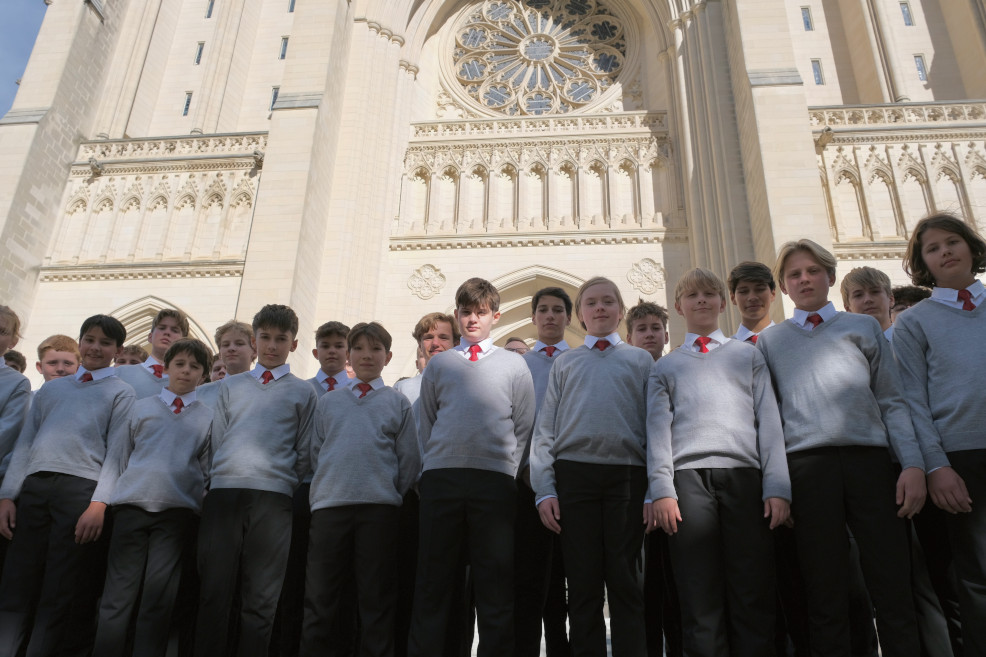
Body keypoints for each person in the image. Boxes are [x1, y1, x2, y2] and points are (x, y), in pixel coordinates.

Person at [757, 239, 925, 657]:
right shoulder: (770, 342)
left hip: (869, 463)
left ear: (830, 277)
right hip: (808, 471)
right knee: (825, 589)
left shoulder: (863, 327)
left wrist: (912, 465)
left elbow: (892, 400)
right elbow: (770, 421)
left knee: (891, 583)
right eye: (794, 274)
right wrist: (777, 485)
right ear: (783, 286)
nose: (805, 279)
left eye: (813, 271)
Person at [649, 268, 790, 656]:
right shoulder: (666, 367)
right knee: (699, 594)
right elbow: (658, 433)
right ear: (679, 307)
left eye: (710, 294)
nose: (701, 301)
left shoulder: (748, 356)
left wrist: (777, 487)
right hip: (688, 482)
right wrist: (661, 489)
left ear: (723, 302)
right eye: (692, 296)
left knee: (752, 589)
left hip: (745, 479)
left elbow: (769, 424)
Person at [409, 278, 535, 657]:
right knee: (433, 583)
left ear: (495, 316)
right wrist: (435, 463)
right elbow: (425, 420)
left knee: (495, 584)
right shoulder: (441, 364)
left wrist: (506, 469)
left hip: (494, 483)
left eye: (481, 312)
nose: (472, 319)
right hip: (442, 479)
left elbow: (524, 424)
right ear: (457, 315)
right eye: (466, 312)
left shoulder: (513, 365)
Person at [0, 314, 135, 657]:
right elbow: (26, 443)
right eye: (90, 339)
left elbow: (117, 453)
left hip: (80, 492)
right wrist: (7, 495)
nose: (96, 347)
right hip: (34, 489)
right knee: (17, 583)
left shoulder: (121, 392)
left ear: (117, 351)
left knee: (59, 589)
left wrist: (99, 504)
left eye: (105, 343)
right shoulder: (53, 388)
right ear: (80, 342)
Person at [531, 276, 652, 657]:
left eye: (608, 302)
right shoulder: (566, 363)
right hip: (575, 478)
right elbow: (545, 431)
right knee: (582, 586)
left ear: (620, 311)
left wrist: (655, 489)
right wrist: (545, 488)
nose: (600, 308)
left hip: (627, 480)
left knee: (626, 583)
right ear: (580, 315)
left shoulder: (640, 360)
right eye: (591, 303)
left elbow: (654, 426)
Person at [194, 305, 317, 657]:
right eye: (265, 338)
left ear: (293, 345)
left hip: (273, 497)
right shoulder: (231, 387)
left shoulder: (302, 392)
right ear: (255, 340)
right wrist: (225, 474)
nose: (272, 346)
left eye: (282, 339)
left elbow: (304, 449)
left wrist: (280, 481)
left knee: (261, 596)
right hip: (225, 494)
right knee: (215, 591)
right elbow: (218, 437)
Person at [895, 212, 986, 656]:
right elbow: (912, 399)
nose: (945, 251)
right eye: (933, 248)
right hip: (961, 459)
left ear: (971, 247)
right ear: (922, 263)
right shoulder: (914, 323)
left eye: (952, 242)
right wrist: (937, 465)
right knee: (976, 576)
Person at [301, 322, 419, 657]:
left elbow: (408, 460)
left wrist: (383, 491)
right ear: (349, 356)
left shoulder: (397, 403)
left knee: (376, 599)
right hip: (329, 510)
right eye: (360, 349)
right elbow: (316, 451)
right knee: (320, 600)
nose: (367, 355)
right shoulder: (329, 402)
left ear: (388, 356)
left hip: (378, 512)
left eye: (376, 349)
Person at [92, 338, 213, 657]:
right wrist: (100, 502)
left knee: (158, 602)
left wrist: (195, 503)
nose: (186, 371)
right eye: (180, 364)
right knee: (117, 597)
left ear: (204, 374)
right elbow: (117, 459)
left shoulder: (208, 417)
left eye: (195, 366)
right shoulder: (140, 408)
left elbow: (206, 468)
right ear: (166, 368)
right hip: (130, 510)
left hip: (175, 517)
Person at [515, 287, 573, 657]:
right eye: (543, 310)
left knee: (570, 577)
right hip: (527, 483)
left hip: (572, 481)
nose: (550, 316)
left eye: (557, 310)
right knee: (531, 579)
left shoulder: (580, 360)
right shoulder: (518, 365)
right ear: (534, 318)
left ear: (569, 317)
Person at [624, 298, 681, 657]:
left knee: (678, 587)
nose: (649, 335)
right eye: (641, 329)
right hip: (637, 498)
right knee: (644, 590)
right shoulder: (626, 375)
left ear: (665, 334)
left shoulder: (677, 370)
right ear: (629, 337)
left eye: (655, 329)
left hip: (678, 493)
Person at [116, 309, 189, 398]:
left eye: (174, 330)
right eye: (162, 328)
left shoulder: (187, 380)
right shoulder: (121, 373)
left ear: (183, 341)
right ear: (150, 337)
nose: (167, 332)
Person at [393, 312, 458, 406]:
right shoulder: (402, 389)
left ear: (455, 344)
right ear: (420, 345)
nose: (435, 343)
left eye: (443, 338)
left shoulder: (468, 386)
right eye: (429, 338)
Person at [841, 266, 895, 341]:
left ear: (891, 299)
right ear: (847, 308)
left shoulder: (911, 339)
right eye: (858, 295)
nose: (868, 300)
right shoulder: (843, 349)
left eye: (875, 292)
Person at [728, 261, 777, 344]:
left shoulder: (792, 340)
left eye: (760, 289)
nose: (752, 298)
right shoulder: (724, 351)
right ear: (733, 298)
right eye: (743, 291)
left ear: (772, 294)